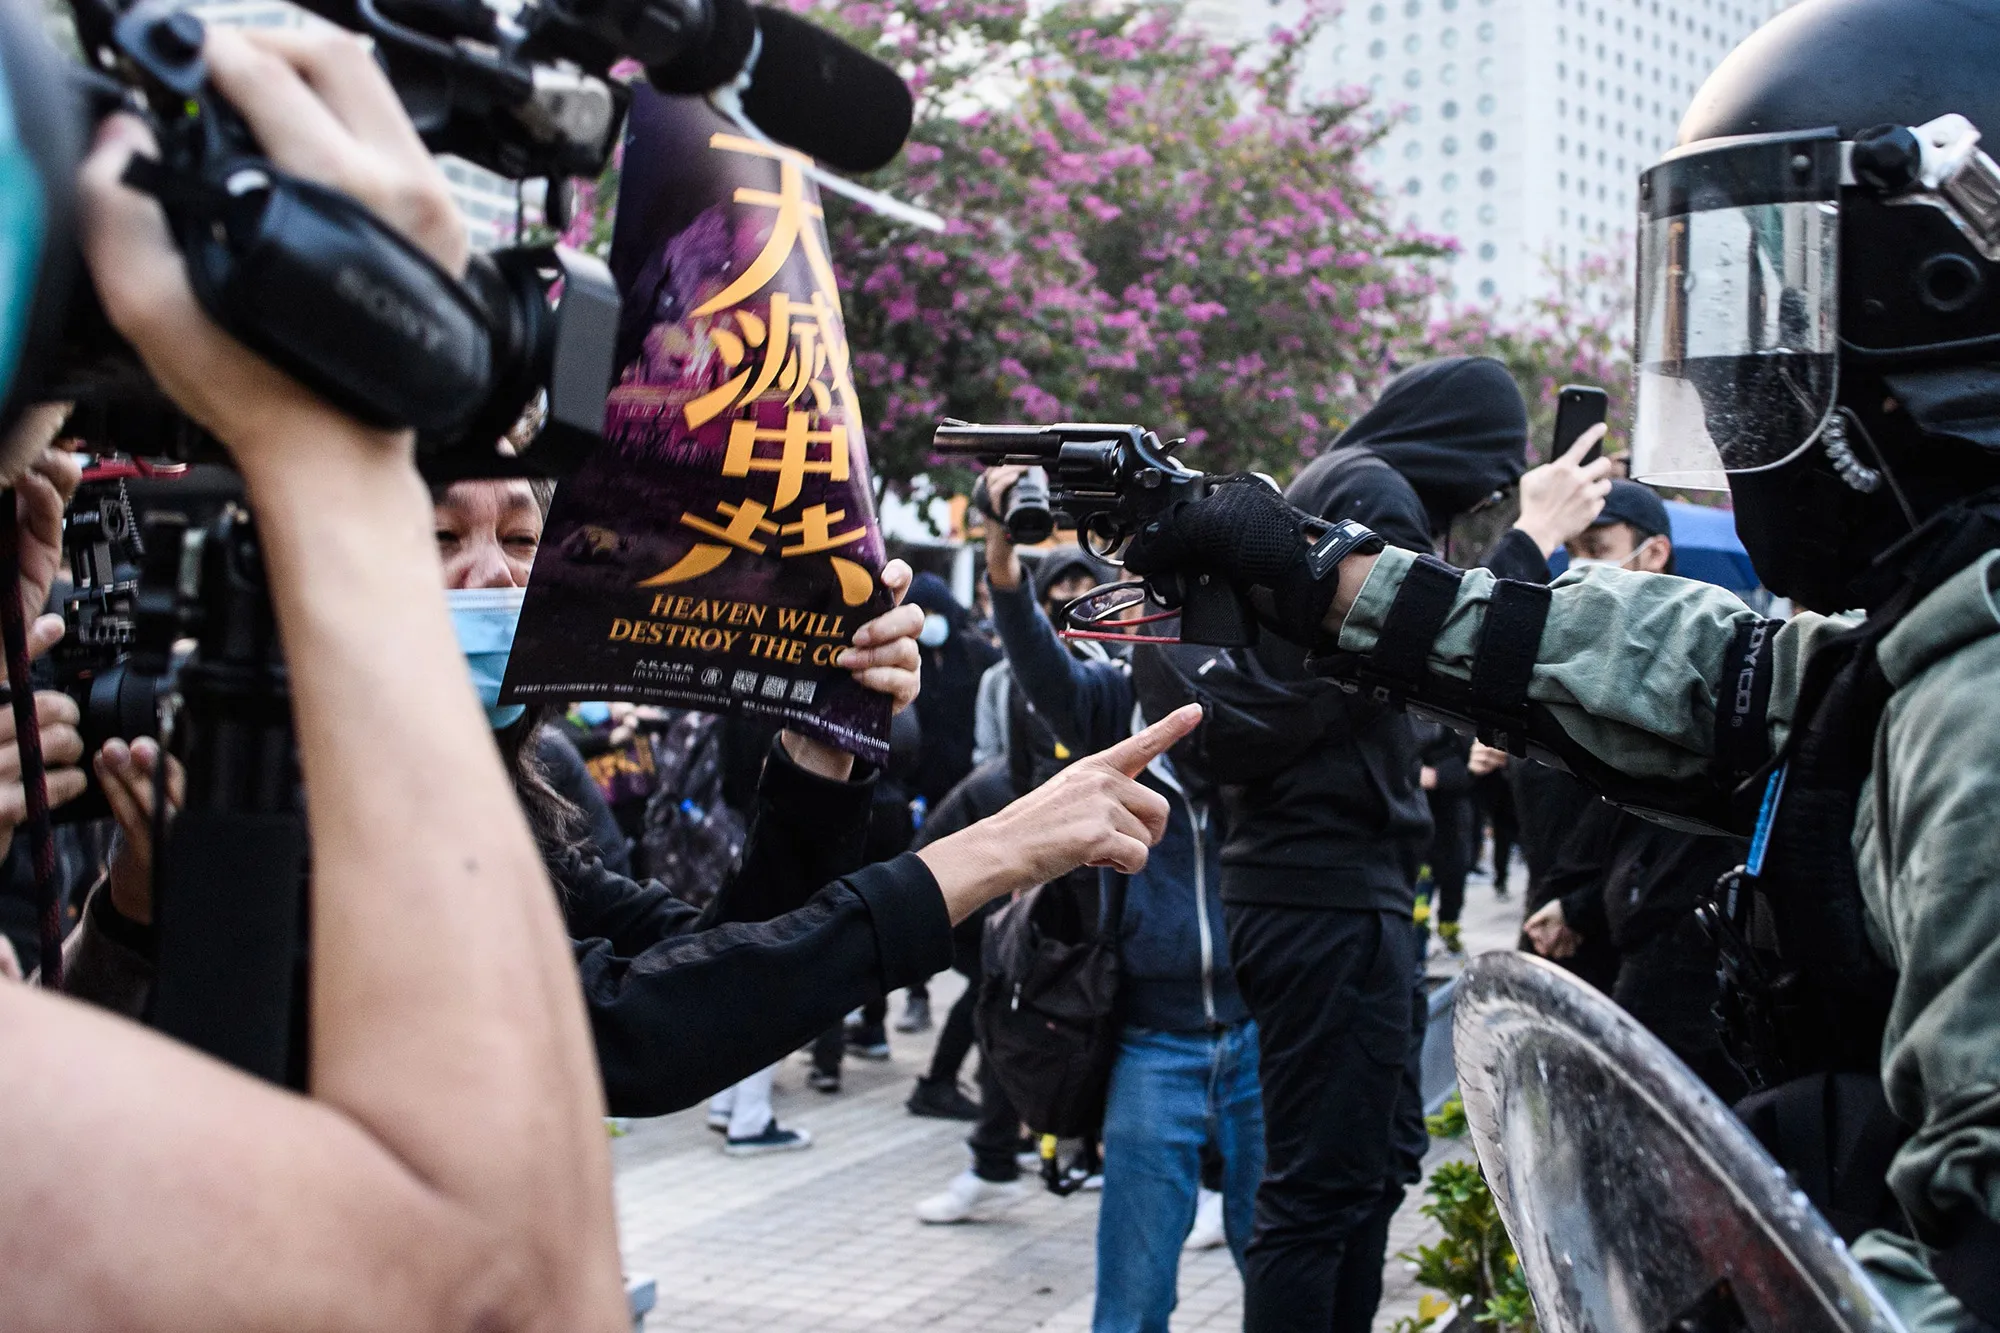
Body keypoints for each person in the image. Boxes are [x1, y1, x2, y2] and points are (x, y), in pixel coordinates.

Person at [1123, 2, 2000, 1322]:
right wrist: (1318, 576)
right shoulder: (1936, 641)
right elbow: (1720, 679)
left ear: (1936, 298)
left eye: (1784, 323)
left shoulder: (1985, 700)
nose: (1733, 392)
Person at [1155, 357, 1606, 1333]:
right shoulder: (1369, 490)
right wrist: (1527, 539)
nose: (1487, 490)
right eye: (1491, 467)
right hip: (1321, 891)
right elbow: (1422, 640)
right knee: (1318, 1194)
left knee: (1367, 1170)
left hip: (1320, 887)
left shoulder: (1339, 484)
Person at [917, 465, 1264, 1333]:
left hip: (1265, 1031)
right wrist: (1004, 555)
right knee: (1135, 1293)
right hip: (1156, 1041)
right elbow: (1038, 659)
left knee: (1283, 1269)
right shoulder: (1116, 704)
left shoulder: (1267, 706)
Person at [1518, 480, 1750, 1100]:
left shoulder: (1682, 669)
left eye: (1598, 545)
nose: (1581, 562)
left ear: (1653, 554)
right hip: (1560, 922)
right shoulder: (1559, 645)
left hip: (1640, 943)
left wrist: (1583, 903)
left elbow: (1664, 821)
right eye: (1571, 547)